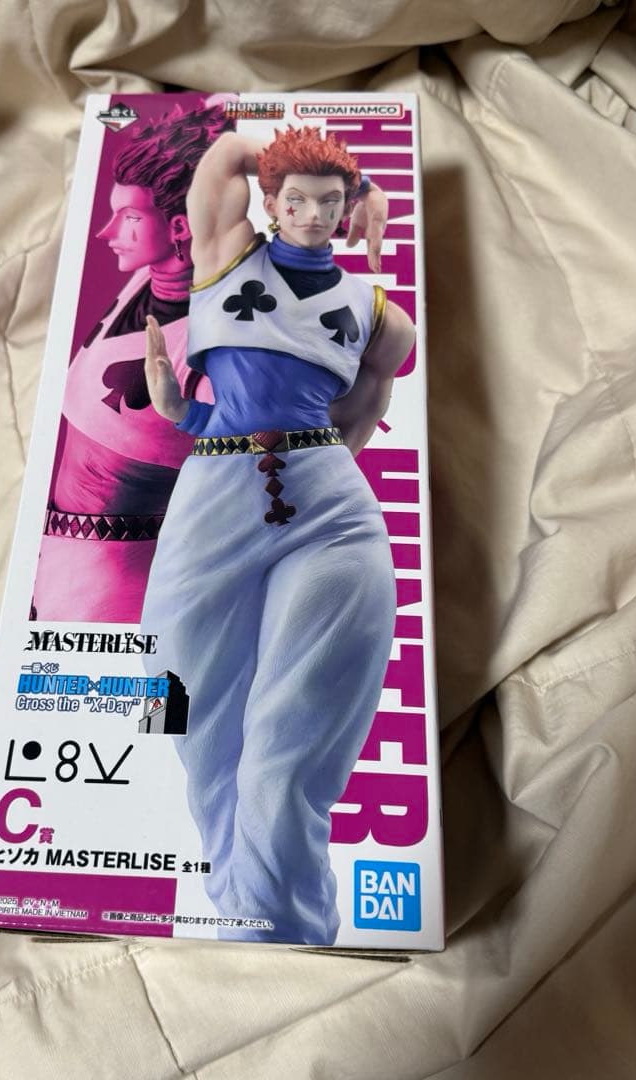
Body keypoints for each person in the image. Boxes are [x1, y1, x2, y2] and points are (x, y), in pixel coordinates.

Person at [141, 125, 416, 946]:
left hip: (327, 510)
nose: (313, 215)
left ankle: (277, 924)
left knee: (296, 729)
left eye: (332, 202)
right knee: (173, 690)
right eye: (296, 199)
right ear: (271, 201)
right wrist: (188, 416)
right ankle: (239, 892)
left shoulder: (383, 319)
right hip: (216, 492)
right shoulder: (226, 254)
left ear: (345, 208)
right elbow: (225, 153)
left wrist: (290, 469)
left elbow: (351, 426)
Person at [31, 102, 231, 623]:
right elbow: (218, 114)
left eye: (130, 218)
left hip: (117, 592)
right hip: (50, 561)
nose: (107, 232)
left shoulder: (221, 344)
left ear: (181, 226)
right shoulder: (145, 281)